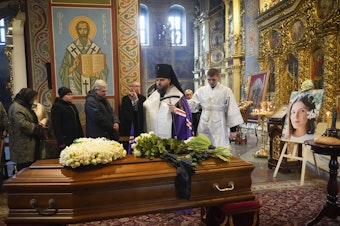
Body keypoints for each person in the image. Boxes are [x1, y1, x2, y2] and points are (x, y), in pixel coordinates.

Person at [189, 68, 244, 146]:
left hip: (219, 123)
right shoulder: (201, 90)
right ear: (206, 78)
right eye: (209, 80)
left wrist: (233, 130)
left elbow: (232, 110)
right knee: (203, 145)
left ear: (219, 77)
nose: (211, 82)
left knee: (219, 145)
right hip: (204, 121)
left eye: (214, 80)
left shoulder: (226, 91)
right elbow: (193, 105)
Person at [143, 64, 193, 140]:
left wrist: (176, 111)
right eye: (157, 80)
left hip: (172, 137)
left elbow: (187, 117)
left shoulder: (178, 96)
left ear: (169, 80)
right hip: (155, 137)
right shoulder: (154, 96)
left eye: (162, 80)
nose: (158, 83)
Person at [59, 20, 108, 95]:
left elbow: (104, 70)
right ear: (77, 31)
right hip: (75, 86)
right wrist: (73, 66)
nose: (82, 32)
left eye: (85, 29)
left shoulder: (95, 49)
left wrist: (95, 74)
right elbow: (63, 70)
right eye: (80, 29)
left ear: (88, 31)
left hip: (93, 83)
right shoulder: (71, 49)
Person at [8, 88, 44, 173]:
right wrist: (36, 127)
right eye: (32, 98)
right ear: (27, 97)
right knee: (24, 170)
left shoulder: (24, 105)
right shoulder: (17, 108)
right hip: (23, 144)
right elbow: (22, 125)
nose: (33, 100)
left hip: (29, 142)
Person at [51, 87, 84, 152]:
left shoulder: (72, 106)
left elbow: (77, 121)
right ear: (62, 96)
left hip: (75, 137)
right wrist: (61, 140)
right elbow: (56, 125)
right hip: (65, 138)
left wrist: (81, 136)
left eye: (71, 94)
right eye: (68, 95)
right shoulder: (57, 107)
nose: (71, 96)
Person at [120, 81, 146, 151]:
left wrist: (136, 100)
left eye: (139, 86)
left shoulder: (143, 98)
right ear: (131, 87)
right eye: (135, 86)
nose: (137, 88)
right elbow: (124, 114)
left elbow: (142, 111)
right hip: (129, 125)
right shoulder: (125, 99)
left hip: (139, 124)